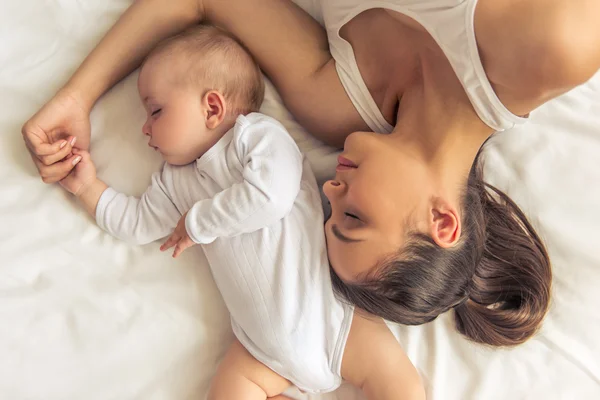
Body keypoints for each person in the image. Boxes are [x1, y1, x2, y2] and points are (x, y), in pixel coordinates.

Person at [22, 0, 600, 352]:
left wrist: (77, 95)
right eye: (352, 217)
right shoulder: (552, 50)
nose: (328, 188)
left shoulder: (334, 104)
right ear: (442, 220)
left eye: (329, 214)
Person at [58, 25, 425, 399]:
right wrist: (88, 188)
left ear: (212, 107)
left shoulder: (256, 138)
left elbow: (271, 197)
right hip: (260, 351)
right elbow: (136, 224)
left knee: (397, 383)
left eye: (156, 111)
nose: (145, 128)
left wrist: (199, 222)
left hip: (332, 317)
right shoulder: (173, 182)